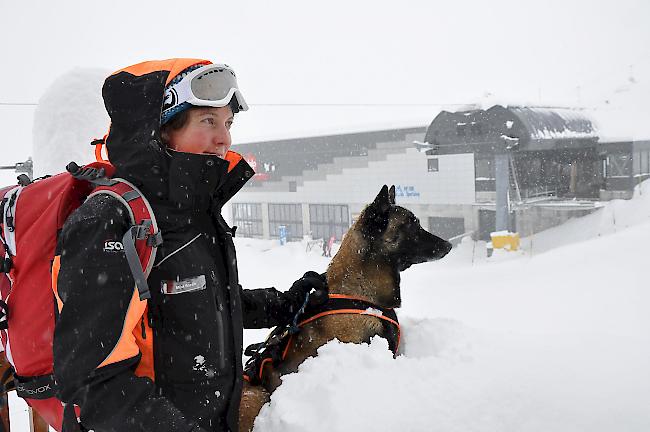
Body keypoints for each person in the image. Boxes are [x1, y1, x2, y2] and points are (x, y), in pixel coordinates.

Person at [53, 59, 327, 432]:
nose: (225, 139)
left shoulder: (195, 213)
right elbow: (91, 379)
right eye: (208, 121)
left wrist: (285, 304)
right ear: (162, 130)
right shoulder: (109, 221)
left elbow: (198, 306)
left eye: (228, 123)